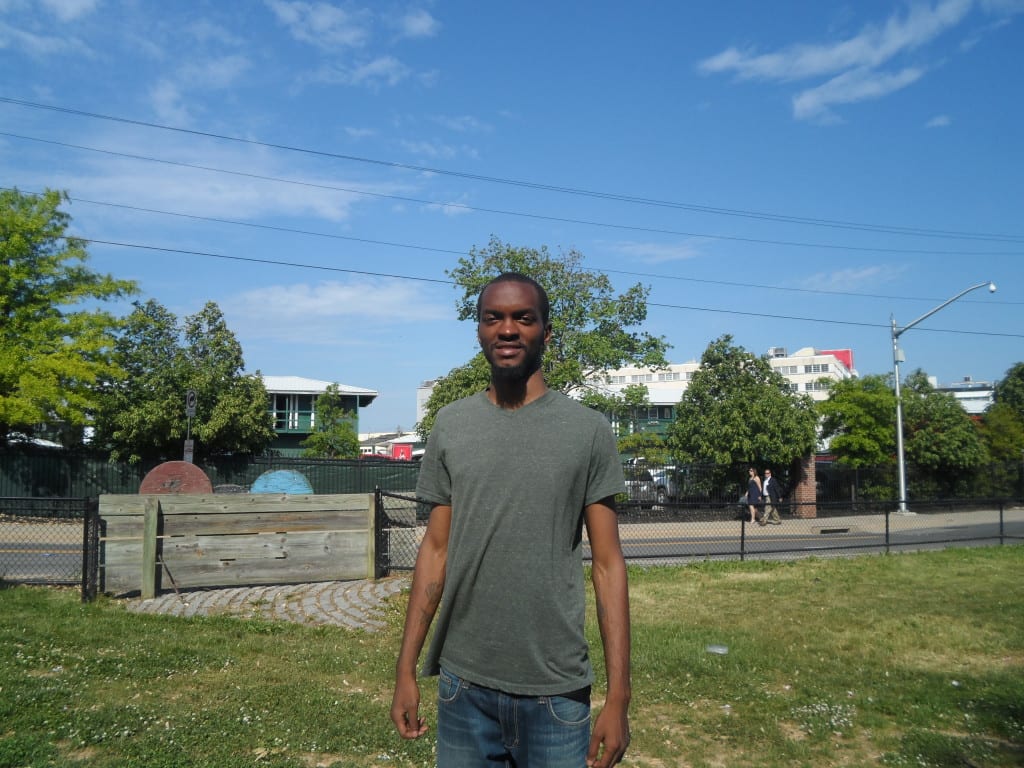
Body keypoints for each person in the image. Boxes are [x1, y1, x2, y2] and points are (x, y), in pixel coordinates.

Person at [390, 272, 632, 768]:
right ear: (478, 331)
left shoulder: (588, 431)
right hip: (463, 688)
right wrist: (405, 670)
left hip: (556, 692)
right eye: (492, 318)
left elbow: (608, 566)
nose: (507, 329)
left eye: (523, 318)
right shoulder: (451, 425)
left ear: (545, 333)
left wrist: (619, 698)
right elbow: (435, 552)